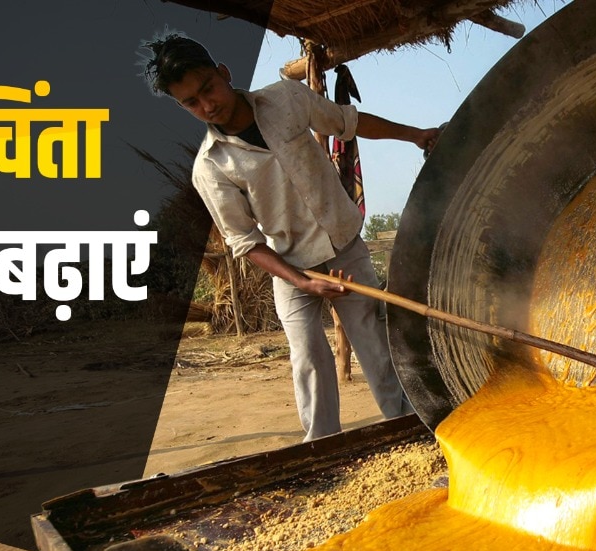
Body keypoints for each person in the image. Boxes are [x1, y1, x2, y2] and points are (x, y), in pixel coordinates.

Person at [141, 32, 440, 441]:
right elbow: (245, 241)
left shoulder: (287, 99)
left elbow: (347, 122)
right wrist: (302, 281)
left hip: (344, 247)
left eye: (207, 88)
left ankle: (409, 429)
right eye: (190, 102)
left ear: (224, 74)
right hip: (290, 267)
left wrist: (415, 134)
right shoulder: (211, 168)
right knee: (308, 357)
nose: (206, 105)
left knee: (373, 340)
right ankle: (322, 450)